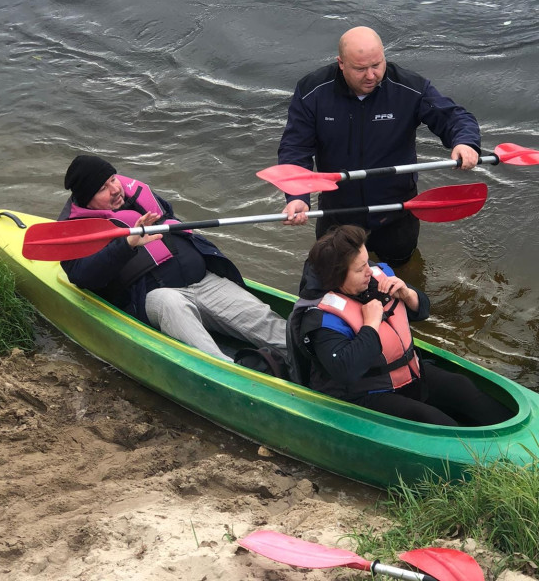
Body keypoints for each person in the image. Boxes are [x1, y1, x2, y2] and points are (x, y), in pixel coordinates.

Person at [278, 26, 481, 266]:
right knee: (335, 277)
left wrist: (465, 142)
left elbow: (454, 117)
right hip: (338, 212)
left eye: (377, 65)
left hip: (396, 210)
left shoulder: (409, 87)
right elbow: (295, 148)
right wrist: (297, 196)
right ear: (341, 63)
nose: (371, 75)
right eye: (360, 68)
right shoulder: (312, 91)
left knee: (401, 274)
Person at [58, 154, 287, 362]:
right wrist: (126, 244)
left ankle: (311, 360)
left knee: (263, 319)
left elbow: (169, 217)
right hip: (156, 297)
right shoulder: (76, 230)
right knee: (173, 304)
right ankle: (227, 369)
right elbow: (82, 276)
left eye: (113, 180)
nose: (115, 189)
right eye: (102, 189)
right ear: (87, 199)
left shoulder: (136, 195)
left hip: (203, 280)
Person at [286, 225, 511, 426]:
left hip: (409, 373)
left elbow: (421, 311)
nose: (369, 270)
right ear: (337, 276)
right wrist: (371, 323)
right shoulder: (320, 319)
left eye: (367, 261)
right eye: (359, 268)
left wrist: (409, 294)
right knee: (433, 421)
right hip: (363, 393)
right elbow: (346, 369)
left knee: (463, 389)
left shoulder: (375, 277)